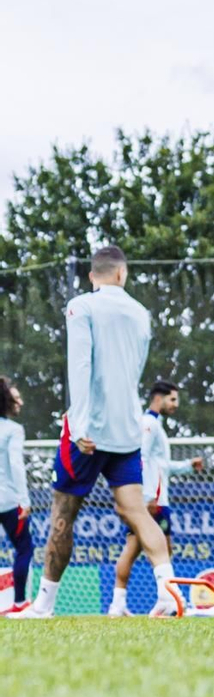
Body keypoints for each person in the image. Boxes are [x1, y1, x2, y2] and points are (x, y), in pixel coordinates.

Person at [11, 247, 179, 618]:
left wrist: (82, 424)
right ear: (122, 274)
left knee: (62, 514)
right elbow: (133, 369)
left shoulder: (80, 306)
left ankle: (44, 606)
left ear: (92, 276)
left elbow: (80, 364)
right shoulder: (141, 313)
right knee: (137, 512)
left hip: (86, 432)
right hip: (127, 430)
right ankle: (168, 592)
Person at [108, 377, 204, 618]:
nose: (176, 404)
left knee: (140, 548)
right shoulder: (148, 424)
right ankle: (166, 599)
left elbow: (160, 464)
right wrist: (146, 497)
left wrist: (187, 466)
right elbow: (142, 459)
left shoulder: (155, 424)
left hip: (156, 498)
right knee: (150, 548)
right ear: (158, 398)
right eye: (173, 399)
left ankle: (120, 604)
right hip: (153, 500)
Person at [0, 375, 34, 614]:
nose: (20, 403)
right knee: (24, 548)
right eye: (16, 398)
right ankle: (20, 602)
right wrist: (24, 500)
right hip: (9, 500)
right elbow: (16, 465)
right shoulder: (12, 429)